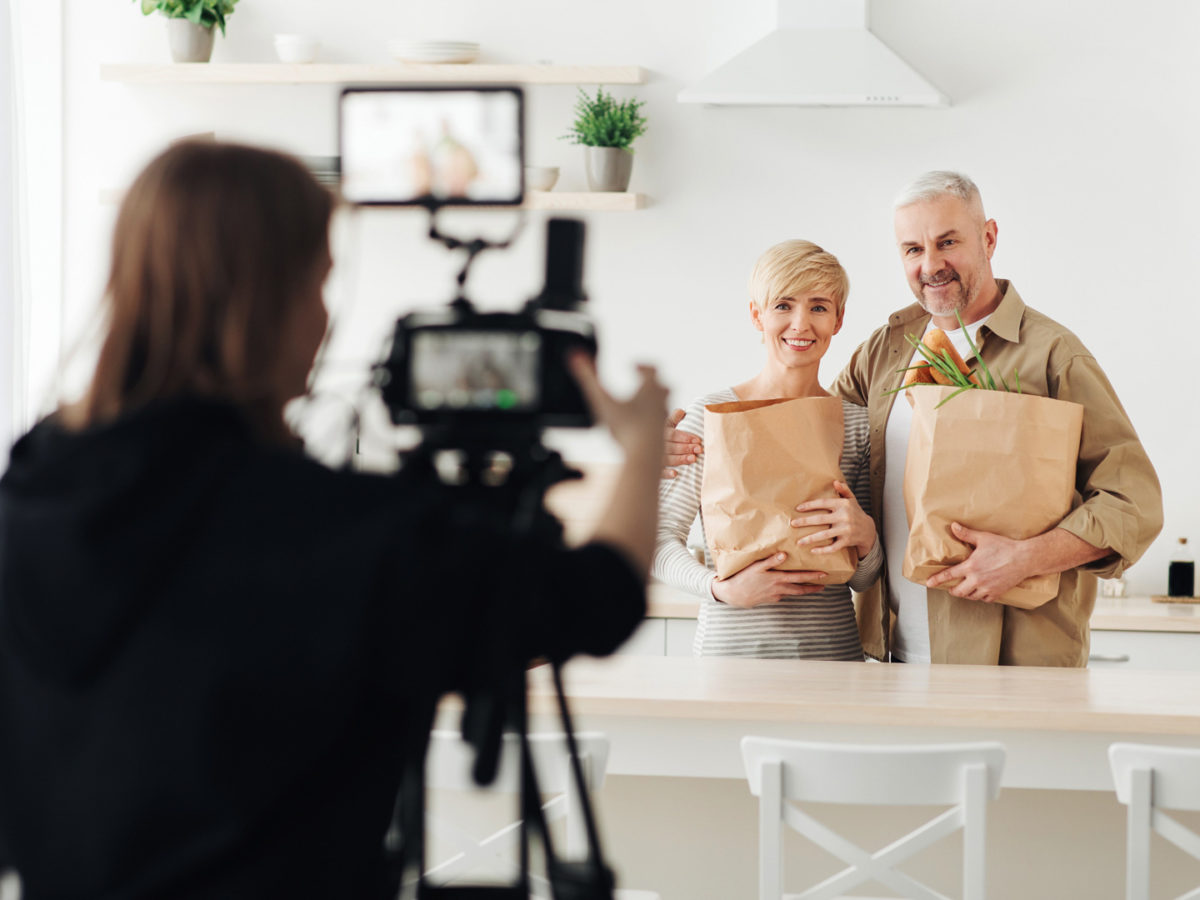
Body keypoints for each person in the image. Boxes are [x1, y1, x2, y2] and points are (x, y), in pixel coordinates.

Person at [0, 141, 668, 898]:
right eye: (317, 283)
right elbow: (597, 599)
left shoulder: (32, 489)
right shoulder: (330, 528)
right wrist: (643, 446)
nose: (324, 316)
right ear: (268, 303)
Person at [666, 172, 1162, 666]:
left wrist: (1026, 557)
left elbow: (1133, 502)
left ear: (988, 238)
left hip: (1013, 657)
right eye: (912, 249)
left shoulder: (1052, 355)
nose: (931, 265)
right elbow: (792, 449)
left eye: (948, 242)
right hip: (887, 657)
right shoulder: (885, 351)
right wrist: (675, 452)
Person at [654, 240, 883, 659]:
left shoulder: (856, 425)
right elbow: (657, 541)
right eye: (783, 305)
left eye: (818, 307)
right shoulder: (713, 416)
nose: (800, 324)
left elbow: (863, 580)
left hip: (832, 659)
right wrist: (720, 589)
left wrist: (866, 538)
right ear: (756, 315)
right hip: (730, 659)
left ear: (838, 319)